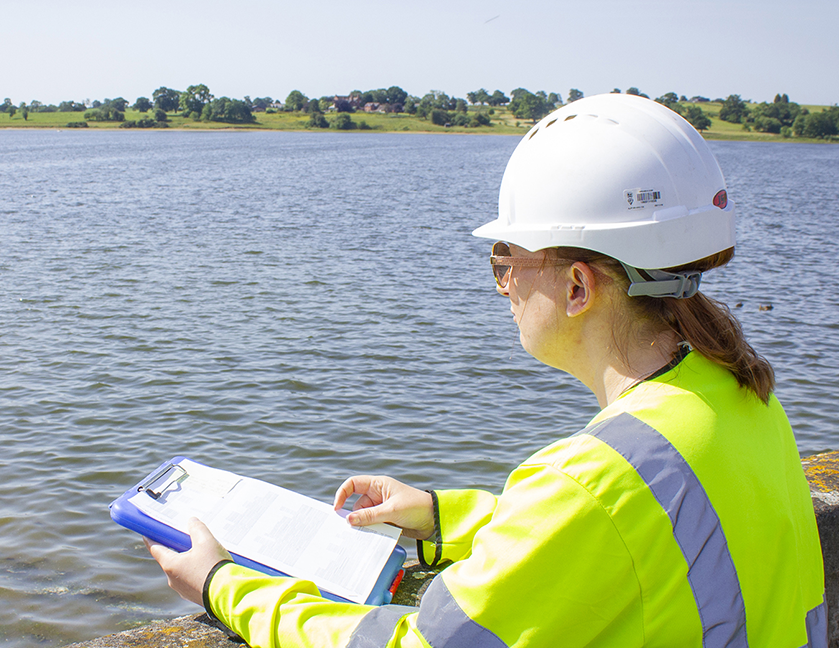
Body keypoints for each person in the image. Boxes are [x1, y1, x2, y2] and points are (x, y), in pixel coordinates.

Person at [147, 94, 826, 647]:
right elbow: (611, 536)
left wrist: (223, 583)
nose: (500, 284)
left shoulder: (595, 477)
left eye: (506, 260)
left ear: (578, 288)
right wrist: (442, 517)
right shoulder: (741, 398)